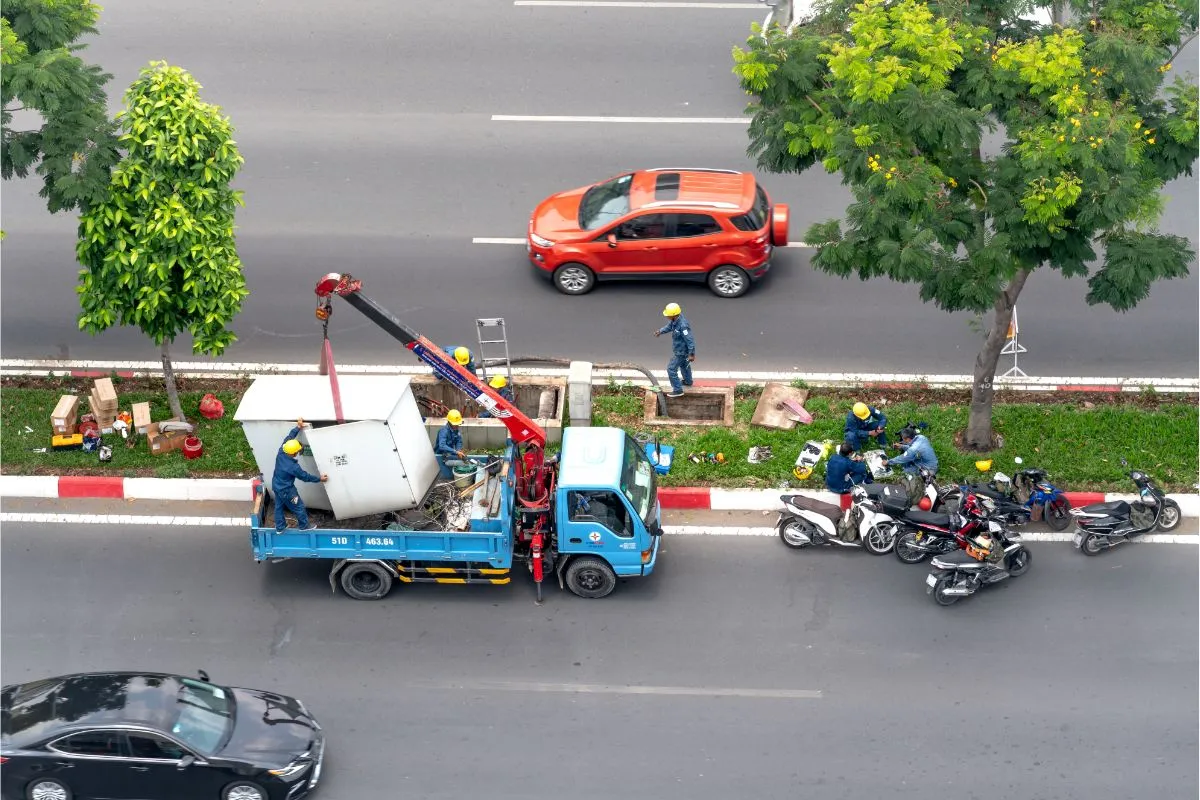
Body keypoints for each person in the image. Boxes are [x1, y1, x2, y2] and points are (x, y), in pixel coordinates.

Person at [272, 418, 328, 532]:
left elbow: (289, 437)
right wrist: (319, 479)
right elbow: (305, 477)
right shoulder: (293, 467)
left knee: (279, 507)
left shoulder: (282, 451)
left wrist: (298, 427)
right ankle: (304, 526)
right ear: (294, 452)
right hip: (287, 490)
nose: (298, 452)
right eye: (297, 451)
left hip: (277, 486)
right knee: (299, 507)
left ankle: (280, 527)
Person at [654, 302, 695, 398]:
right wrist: (660, 331)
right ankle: (688, 381)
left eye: (667, 315)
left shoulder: (683, 325)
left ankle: (678, 390)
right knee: (684, 366)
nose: (666, 316)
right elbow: (669, 327)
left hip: (681, 352)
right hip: (680, 350)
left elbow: (690, 340)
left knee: (671, 369)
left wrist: (691, 353)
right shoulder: (675, 320)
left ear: (673, 315)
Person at [435, 409, 469, 479]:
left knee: (464, 459)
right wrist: (455, 452)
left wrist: (459, 450)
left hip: (449, 452)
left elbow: (459, 441)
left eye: (458, 424)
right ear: (450, 422)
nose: (457, 426)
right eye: (455, 424)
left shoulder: (456, 430)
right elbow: (442, 446)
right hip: (440, 454)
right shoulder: (444, 431)